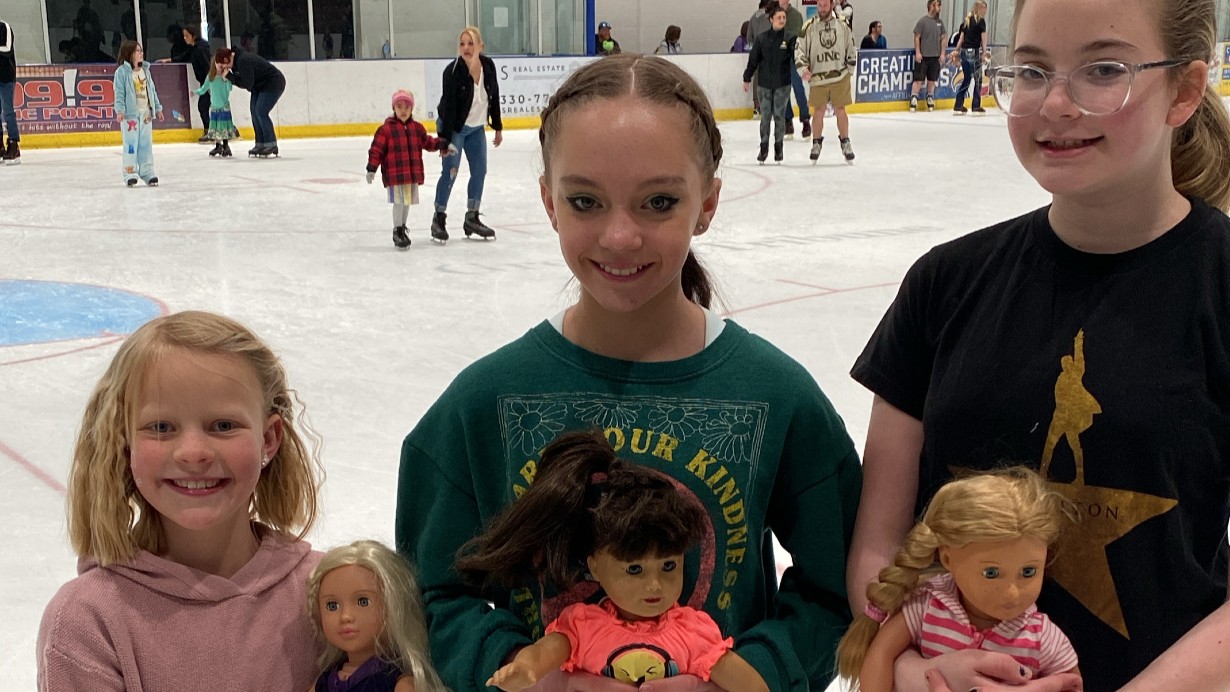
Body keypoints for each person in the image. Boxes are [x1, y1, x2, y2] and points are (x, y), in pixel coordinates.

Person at [396, 53, 862, 692]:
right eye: (585, 200)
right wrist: (531, 676)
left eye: (659, 202)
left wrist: (746, 675)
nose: (619, 236)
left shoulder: (777, 395)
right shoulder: (484, 401)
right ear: (548, 203)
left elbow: (837, 588)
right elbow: (431, 593)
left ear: (708, 203)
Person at [847, 0, 1230, 687]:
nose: (1055, 103)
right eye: (1031, 70)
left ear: (1185, 90)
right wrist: (914, 669)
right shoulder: (947, 282)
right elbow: (881, 541)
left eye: (1103, 69)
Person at [36, 310, 327, 691]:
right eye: (161, 428)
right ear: (125, 444)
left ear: (269, 439)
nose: (193, 453)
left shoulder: (328, 594)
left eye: (223, 426)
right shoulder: (88, 621)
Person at [455, 430, 769, 692]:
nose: (655, 584)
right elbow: (547, 651)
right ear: (593, 567)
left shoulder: (692, 632)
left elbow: (752, 685)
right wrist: (525, 667)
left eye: (669, 565)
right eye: (634, 569)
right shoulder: (585, 625)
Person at [836, 469, 1080, 692]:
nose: (1012, 593)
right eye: (991, 573)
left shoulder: (1040, 637)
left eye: (1028, 572)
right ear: (947, 558)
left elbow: (1073, 684)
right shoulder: (929, 606)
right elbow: (881, 654)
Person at [308, 540, 446, 692]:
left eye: (363, 601)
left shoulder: (396, 681)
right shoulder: (326, 681)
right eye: (332, 606)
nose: (345, 616)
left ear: (395, 606)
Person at [432, 26, 502, 241]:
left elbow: (494, 96)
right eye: (462, 44)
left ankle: (471, 217)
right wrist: (444, 141)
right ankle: (439, 218)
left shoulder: (488, 66)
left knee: (480, 171)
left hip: (477, 129)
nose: (466, 48)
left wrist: (497, 127)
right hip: (455, 128)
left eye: (471, 43)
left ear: (480, 46)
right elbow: (449, 107)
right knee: (450, 172)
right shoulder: (452, 71)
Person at [366, 89, 455, 248]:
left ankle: (403, 228)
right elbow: (376, 150)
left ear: (412, 109)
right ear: (394, 108)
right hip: (395, 175)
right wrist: (372, 167)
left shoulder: (417, 128)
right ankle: (397, 230)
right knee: (399, 203)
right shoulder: (386, 130)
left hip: (410, 174)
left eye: (407, 107)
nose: (403, 110)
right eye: (399, 107)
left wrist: (444, 144)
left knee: (406, 203)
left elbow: (428, 143)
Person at [796, 0, 857, 163]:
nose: (822, 8)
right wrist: (803, 69)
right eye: (820, 5)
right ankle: (816, 143)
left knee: (840, 109)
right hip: (818, 78)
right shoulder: (809, 26)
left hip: (839, 76)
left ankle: (845, 142)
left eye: (825, 5)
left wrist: (849, 70)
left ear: (831, 5)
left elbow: (851, 47)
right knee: (818, 111)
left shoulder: (843, 25)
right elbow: (799, 49)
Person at [743, 4, 794, 164]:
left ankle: (779, 148)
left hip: (782, 84)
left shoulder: (790, 37)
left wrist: (805, 69)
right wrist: (747, 77)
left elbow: (797, 57)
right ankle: (763, 148)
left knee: (779, 116)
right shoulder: (762, 38)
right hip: (764, 85)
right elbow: (754, 60)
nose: (782, 20)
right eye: (778, 17)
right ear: (771, 19)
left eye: (784, 17)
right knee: (765, 117)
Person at [217, 46, 285, 157]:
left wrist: (230, 76)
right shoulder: (236, 63)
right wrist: (231, 76)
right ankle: (261, 143)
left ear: (227, 59)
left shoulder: (243, 60)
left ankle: (271, 143)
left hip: (273, 83)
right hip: (259, 86)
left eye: (223, 64)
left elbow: (247, 83)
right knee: (254, 113)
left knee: (261, 112)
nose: (223, 67)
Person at [112, 41, 164, 187]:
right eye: (138, 51)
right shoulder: (121, 72)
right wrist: (120, 110)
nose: (141, 53)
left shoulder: (146, 71)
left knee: (146, 145)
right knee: (131, 145)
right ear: (129, 54)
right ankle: (130, 173)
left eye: (141, 51)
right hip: (130, 116)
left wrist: (158, 108)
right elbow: (119, 93)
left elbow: (152, 91)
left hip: (146, 115)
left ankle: (148, 172)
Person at [157, 24, 212, 142]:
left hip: (209, 81)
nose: (184, 38)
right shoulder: (194, 48)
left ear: (193, 36)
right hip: (205, 81)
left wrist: (210, 85)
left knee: (204, 106)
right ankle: (212, 130)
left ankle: (212, 131)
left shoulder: (200, 49)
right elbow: (185, 56)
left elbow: (207, 66)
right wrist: (169, 60)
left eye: (186, 36)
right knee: (206, 106)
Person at [194, 47, 240, 158]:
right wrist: (195, 92)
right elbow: (204, 89)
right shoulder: (210, 77)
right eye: (217, 63)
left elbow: (229, 88)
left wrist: (225, 79)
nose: (219, 65)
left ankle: (225, 145)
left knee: (223, 127)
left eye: (221, 63)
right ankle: (218, 145)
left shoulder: (225, 78)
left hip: (224, 107)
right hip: (214, 107)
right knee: (215, 127)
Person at [779, 0, 811, 139]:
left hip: (793, 58)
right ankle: (788, 121)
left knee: (798, 88)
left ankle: (805, 120)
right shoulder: (776, 14)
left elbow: (796, 37)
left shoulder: (795, 16)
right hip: (780, 59)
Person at [950, 0, 989, 114]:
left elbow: (961, 39)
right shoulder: (981, 22)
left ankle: (958, 105)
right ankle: (976, 106)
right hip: (974, 52)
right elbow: (984, 38)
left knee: (967, 78)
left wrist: (956, 51)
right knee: (978, 79)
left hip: (964, 52)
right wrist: (984, 51)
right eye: (984, 8)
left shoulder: (966, 21)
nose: (985, 11)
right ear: (980, 8)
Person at [908, 0, 945, 112]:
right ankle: (914, 97)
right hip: (924, 56)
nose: (940, 7)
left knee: (932, 79)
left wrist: (942, 53)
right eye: (938, 5)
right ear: (931, 6)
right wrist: (918, 52)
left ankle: (930, 96)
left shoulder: (940, 23)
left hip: (935, 56)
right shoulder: (922, 21)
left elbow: (943, 38)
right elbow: (917, 37)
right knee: (918, 78)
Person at [0, 16, 20, 165]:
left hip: (6, 76)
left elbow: (7, 48)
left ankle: (13, 144)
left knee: (8, 110)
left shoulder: (4, 27)